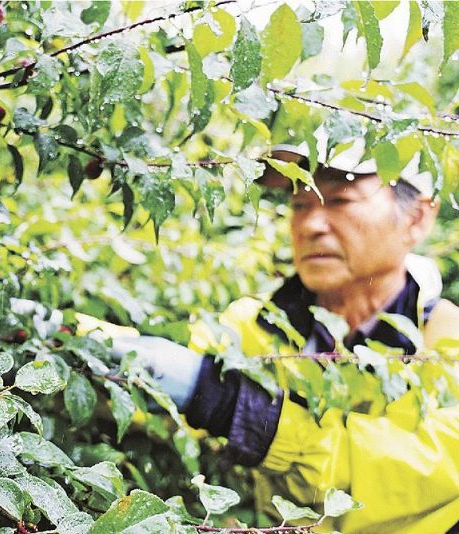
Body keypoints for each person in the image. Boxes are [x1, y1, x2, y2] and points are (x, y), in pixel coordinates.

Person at [77, 136, 459, 533]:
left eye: (341, 200)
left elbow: (399, 472)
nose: (310, 224)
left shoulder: (448, 344)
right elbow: (160, 394)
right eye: (299, 204)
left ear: (416, 219)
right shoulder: (254, 324)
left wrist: (240, 409)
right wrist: (75, 339)